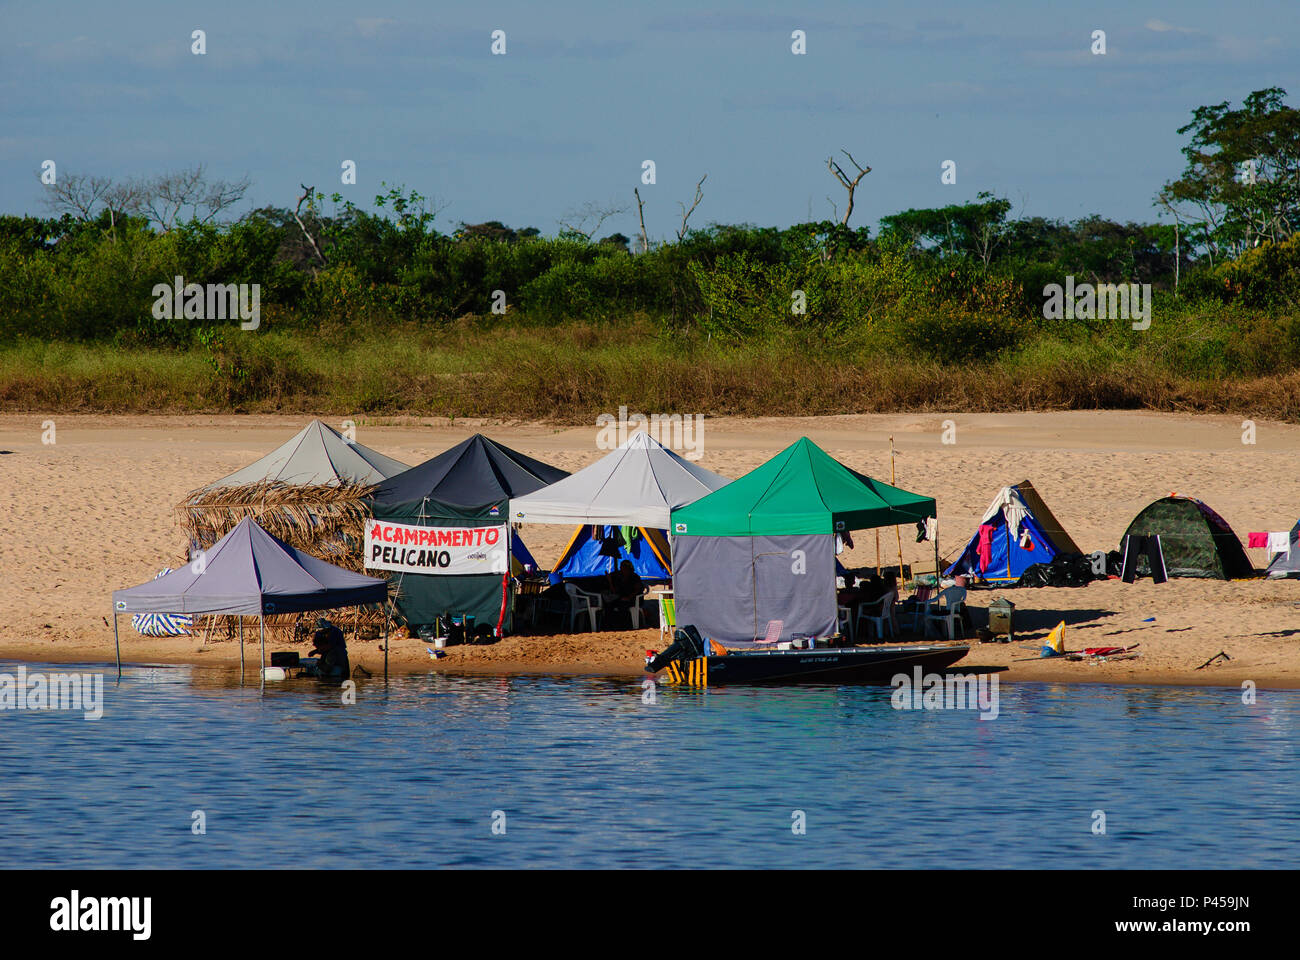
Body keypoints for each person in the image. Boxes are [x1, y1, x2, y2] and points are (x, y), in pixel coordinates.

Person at [603, 560, 646, 628]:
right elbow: (615, 591)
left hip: (634, 599)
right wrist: (610, 581)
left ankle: (625, 625)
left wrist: (629, 597)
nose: (622, 569)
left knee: (622, 606)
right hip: (622, 598)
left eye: (624, 567)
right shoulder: (620, 578)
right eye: (621, 567)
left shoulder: (634, 577)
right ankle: (609, 626)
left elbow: (638, 590)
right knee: (609, 605)